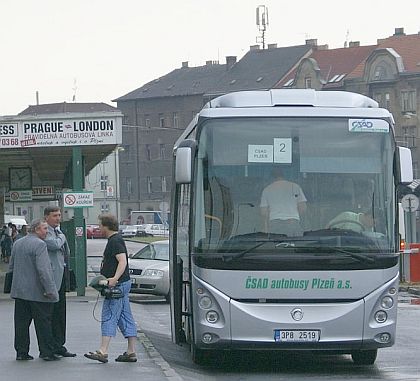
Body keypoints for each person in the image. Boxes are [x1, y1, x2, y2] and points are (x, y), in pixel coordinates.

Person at [84, 213, 137, 363]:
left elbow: (122, 261)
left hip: (118, 285)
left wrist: (114, 279)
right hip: (123, 283)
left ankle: (103, 351)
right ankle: (131, 351)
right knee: (125, 317)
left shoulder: (115, 241)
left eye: (100, 225)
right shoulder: (116, 239)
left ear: (106, 226)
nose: (98, 227)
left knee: (109, 315)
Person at [9, 219, 60, 361]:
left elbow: (12, 266)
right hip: (37, 292)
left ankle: (21, 351)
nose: (46, 232)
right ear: (36, 230)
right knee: (43, 323)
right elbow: (44, 270)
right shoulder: (40, 245)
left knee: (21, 324)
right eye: (44, 229)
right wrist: (51, 290)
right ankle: (46, 351)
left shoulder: (18, 243)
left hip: (20, 291)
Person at [43, 206, 76, 358]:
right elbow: (54, 245)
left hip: (62, 275)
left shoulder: (58, 231)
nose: (58, 218)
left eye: (59, 215)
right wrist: (62, 237)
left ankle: (59, 344)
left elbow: (65, 251)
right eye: (55, 215)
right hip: (51, 277)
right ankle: (50, 346)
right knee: (51, 313)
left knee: (60, 312)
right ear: (47, 217)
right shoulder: (46, 232)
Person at [260, 167, 307, 236]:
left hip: (275, 224)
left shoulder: (267, 190)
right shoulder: (295, 187)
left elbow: (263, 212)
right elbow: (303, 208)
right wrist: (293, 215)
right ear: (283, 175)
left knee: (274, 246)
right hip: (293, 223)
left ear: (272, 177)